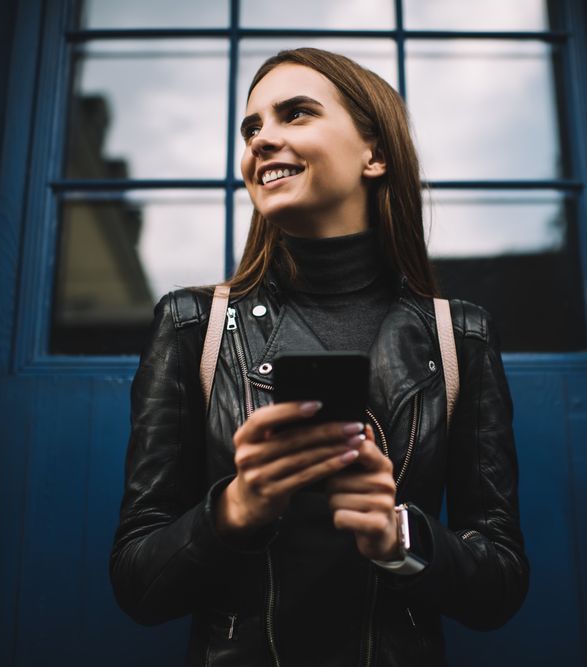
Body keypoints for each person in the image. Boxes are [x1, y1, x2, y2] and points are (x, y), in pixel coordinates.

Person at [110, 47, 528, 666]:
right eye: (251, 127)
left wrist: (399, 536)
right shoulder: (193, 327)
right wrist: (235, 509)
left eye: (295, 114)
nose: (262, 140)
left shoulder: (458, 334)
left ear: (375, 154)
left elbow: (500, 587)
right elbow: (138, 584)